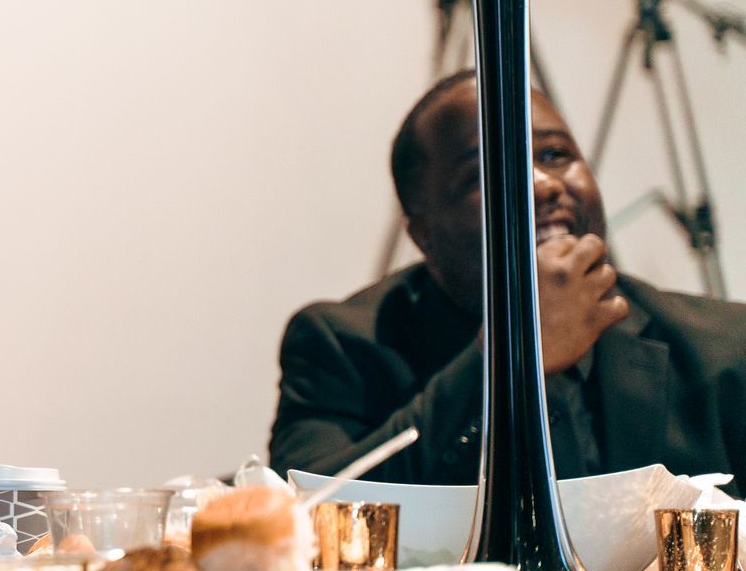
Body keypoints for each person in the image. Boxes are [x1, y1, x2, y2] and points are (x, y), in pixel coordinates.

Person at [269, 69, 746, 485]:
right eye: (485, 172)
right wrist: (508, 357)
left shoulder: (724, 346)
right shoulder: (339, 347)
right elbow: (309, 519)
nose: (543, 185)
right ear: (422, 231)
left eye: (556, 154)